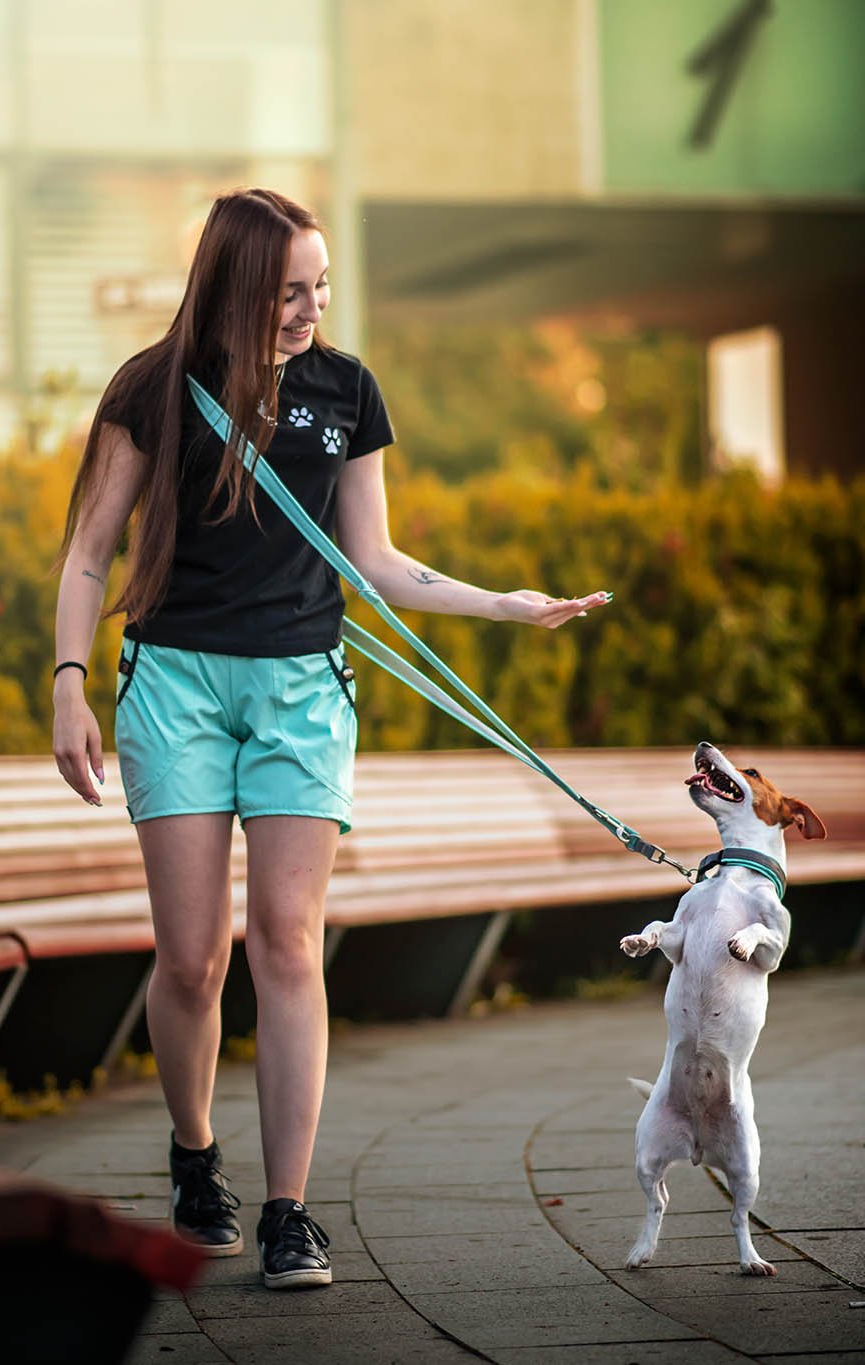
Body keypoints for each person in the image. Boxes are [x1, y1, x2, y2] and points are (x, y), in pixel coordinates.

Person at [52, 187, 609, 1291]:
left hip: (302, 690)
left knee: (290, 945)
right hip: (174, 686)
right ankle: (195, 1156)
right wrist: (68, 682)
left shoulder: (346, 391)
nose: (310, 309)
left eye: (319, 287)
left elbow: (378, 563)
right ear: (236, 288)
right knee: (191, 959)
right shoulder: (151, 390)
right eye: (289, 291)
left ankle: (289, 1211)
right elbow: (86, 555)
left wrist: (505, 604)